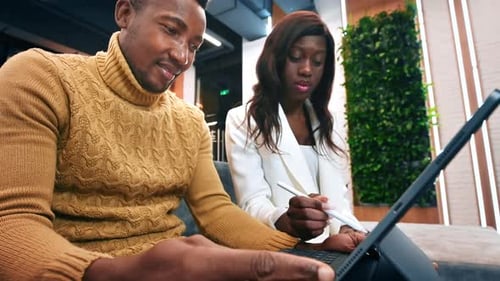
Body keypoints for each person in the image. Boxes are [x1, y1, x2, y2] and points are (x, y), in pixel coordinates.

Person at [0, 1, 338, 280]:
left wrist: (302, 251)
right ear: (125, 13)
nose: (183, 57)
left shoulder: (189, 121)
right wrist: (118, 273)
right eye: (171, 30)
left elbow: (217, 213)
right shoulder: (42, 79)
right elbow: (12, 226)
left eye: (194, 45)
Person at [225, 11, 366, 247]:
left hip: (334, 247)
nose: (307, 70)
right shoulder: (243, 120)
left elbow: (340, 202)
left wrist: (347, 227)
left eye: (318, 61)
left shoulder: (330, 125)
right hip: (282, 249)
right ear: (276, 59)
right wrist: (288, 220)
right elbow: (252, 203)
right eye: (296, 57)